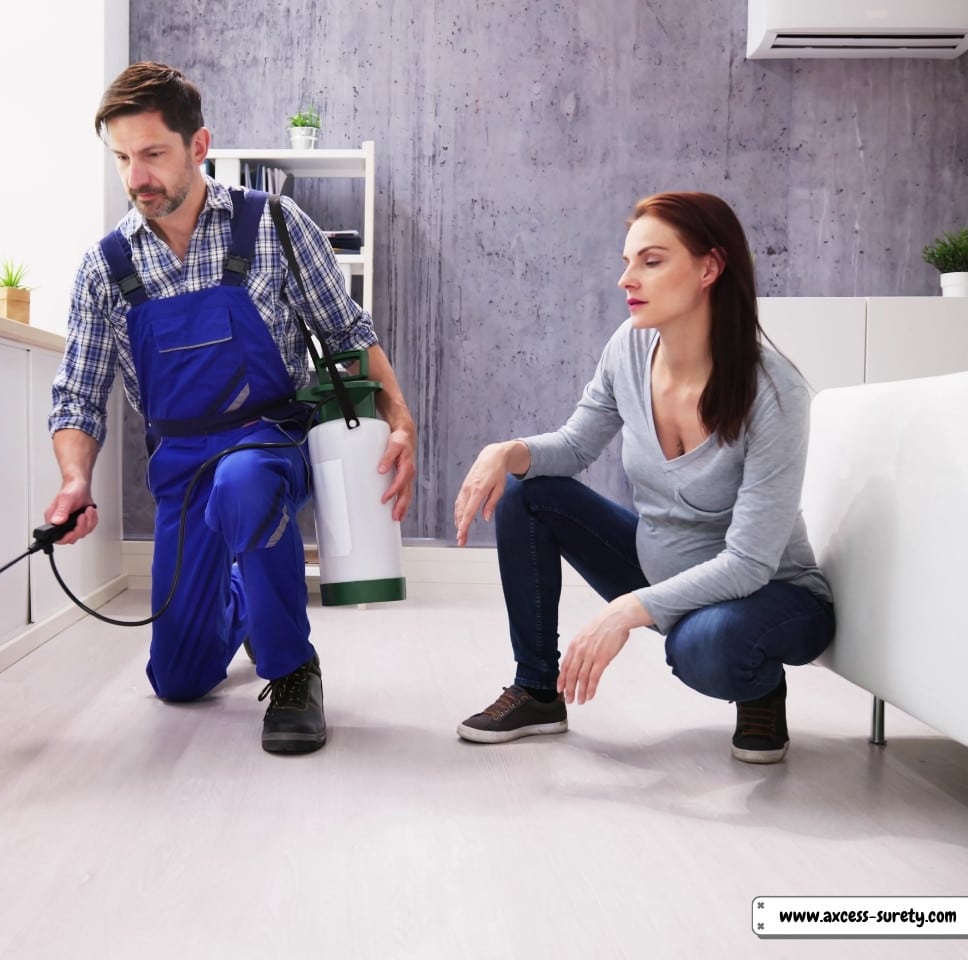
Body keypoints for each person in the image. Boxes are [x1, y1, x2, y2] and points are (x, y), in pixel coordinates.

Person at [44, 62, 417, 755]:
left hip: (268, 440)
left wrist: (401, 419)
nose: (137, 176)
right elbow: (78, 393)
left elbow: (349, 333)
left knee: (244, 486)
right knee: (179, 680)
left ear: (198, 145)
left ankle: (292, 668)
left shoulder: (273, 223)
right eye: (123, 158)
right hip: (180, 462)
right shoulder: (105, 266)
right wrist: (74, 480)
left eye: (153, 153)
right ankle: (247, 595)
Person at [451, 191, 834, 764]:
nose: (628, 278)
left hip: (771, 595)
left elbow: (751, 562)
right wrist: (505, 452)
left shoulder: (773, 392)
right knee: (528, 496)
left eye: (651, 261)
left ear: (709, 267)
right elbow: (576, 446)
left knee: (704, 648)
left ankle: (760, 685)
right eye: (627, 262)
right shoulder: (628, 349)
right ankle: (536, 689)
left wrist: (625, 610)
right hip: (662, 568)